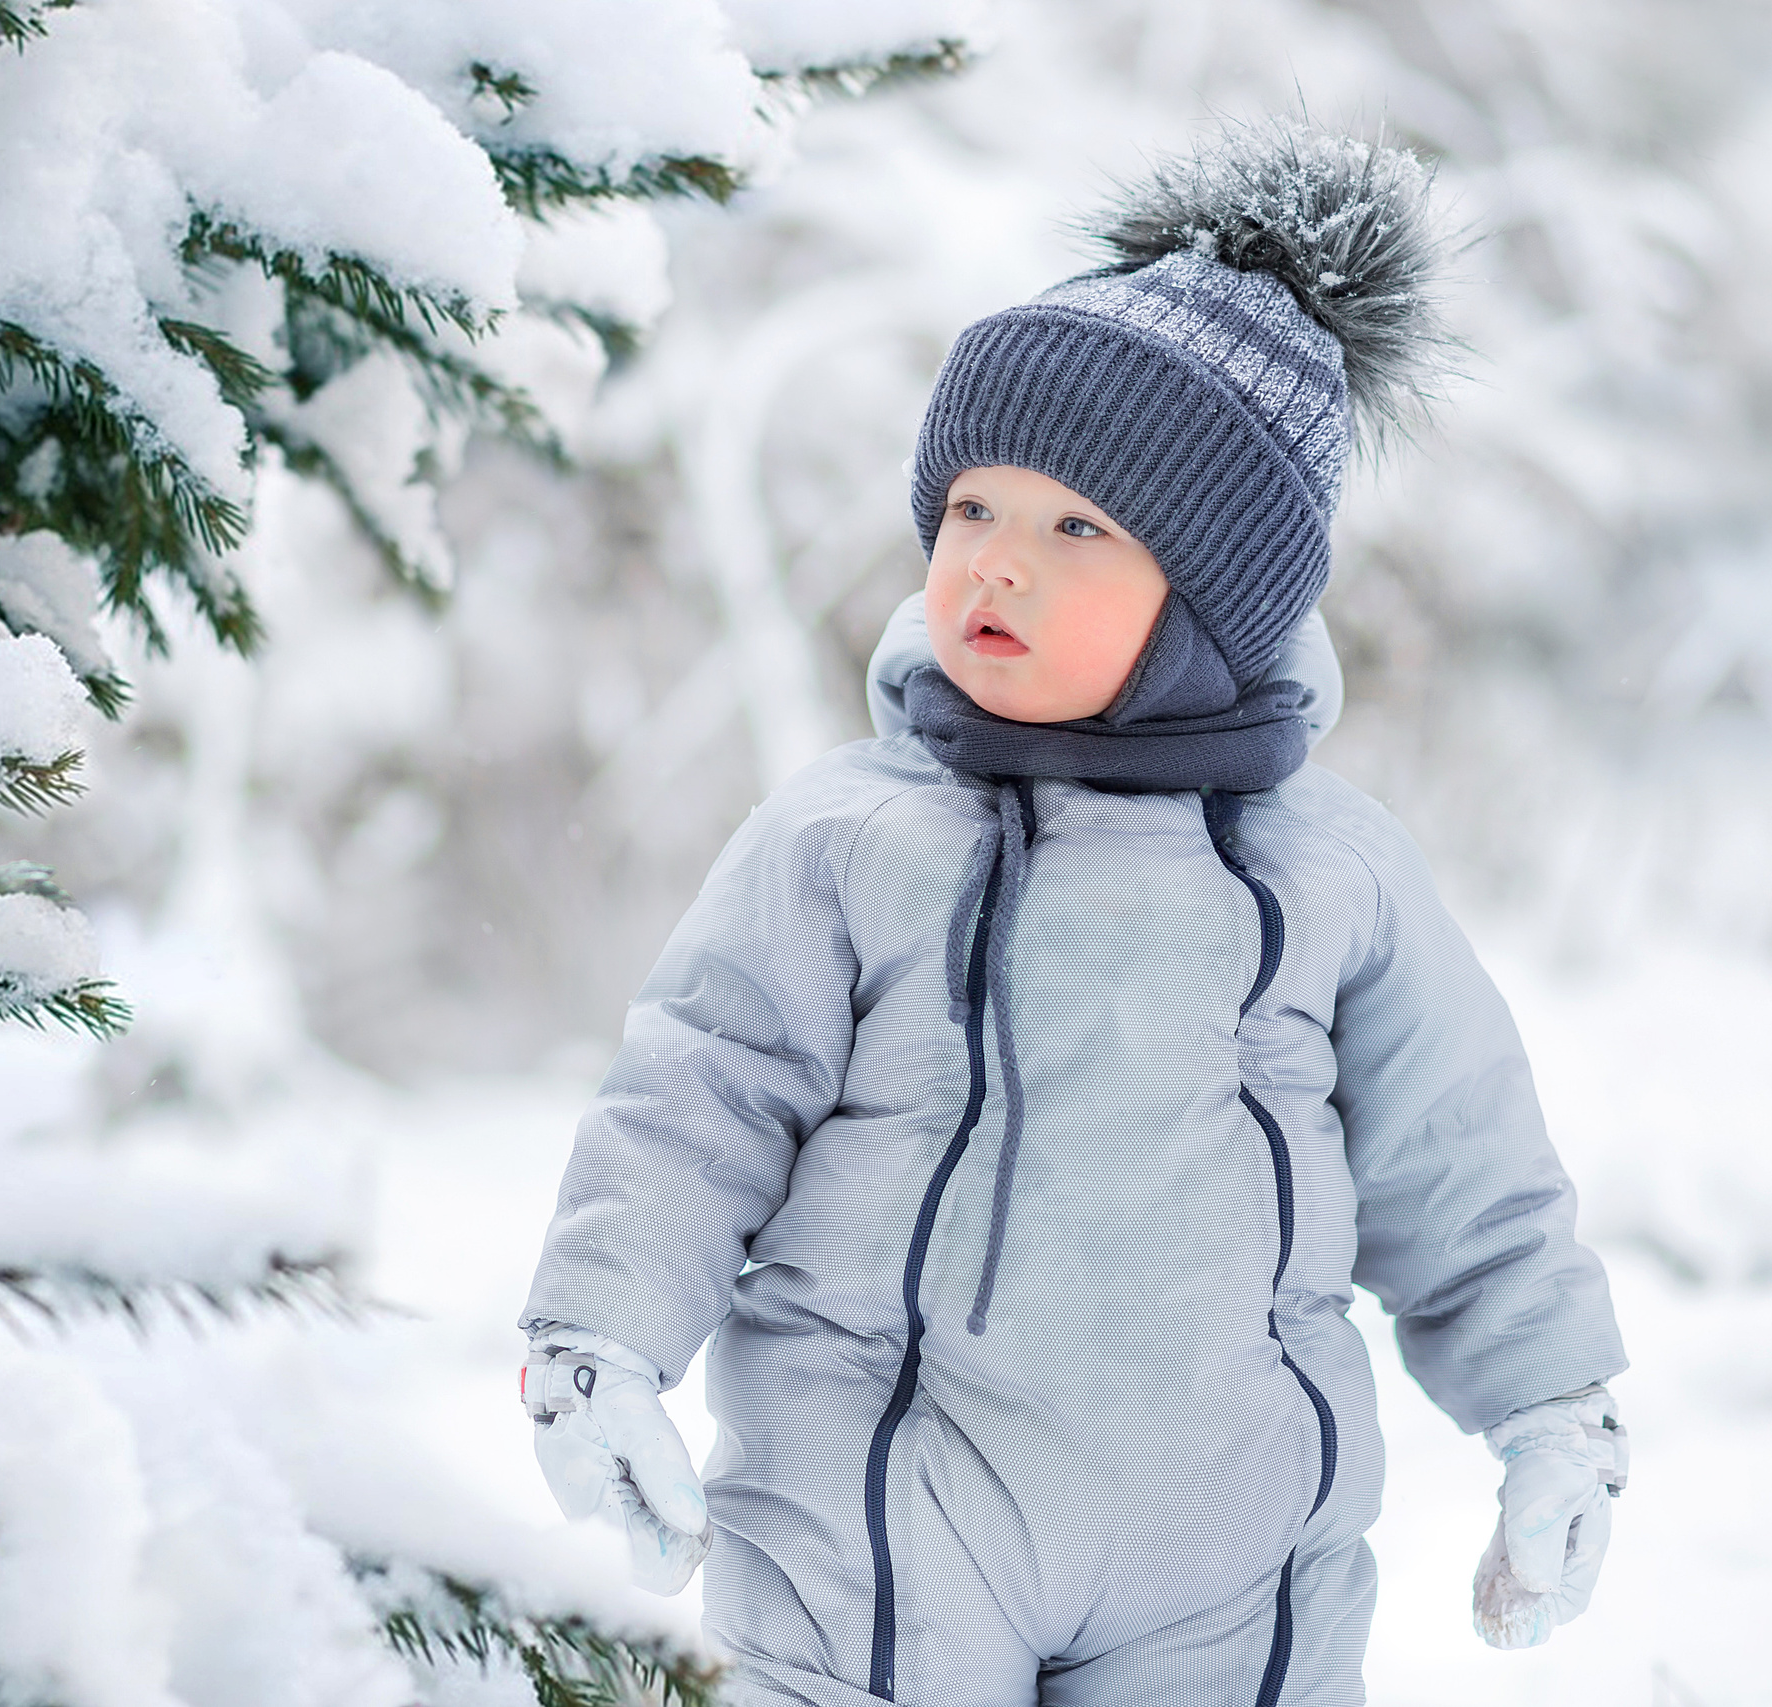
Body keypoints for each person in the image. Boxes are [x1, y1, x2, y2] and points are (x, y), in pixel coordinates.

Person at [515, 122, 1629, 1706]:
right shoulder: (847, 838)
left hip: (1225, 1543)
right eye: (973, 508)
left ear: (1215, 595)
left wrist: (1555, 1412)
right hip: (885, 1516)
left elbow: (1462, 1165)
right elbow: (697, 1101)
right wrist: (600, 1341)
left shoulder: (1332, 874)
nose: (996, 567)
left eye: (1076, 529)